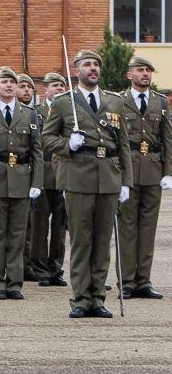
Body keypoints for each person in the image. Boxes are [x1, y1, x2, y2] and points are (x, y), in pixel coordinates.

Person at [41, 49, 133, 318]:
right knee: (82, 240)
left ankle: (98, 298)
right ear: (77, 70)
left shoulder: (114, 101)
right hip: (78, 175)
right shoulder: (63, 102)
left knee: (103, 242)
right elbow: (47, 140)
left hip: (108, 176)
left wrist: (126, 180)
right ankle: (80, 298)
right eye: (87, 65)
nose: (92, 69)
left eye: (95, 65)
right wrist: (68, 144)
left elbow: (123, 144)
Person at [0, 67, 43, 301]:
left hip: (21, 180)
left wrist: (37, 181)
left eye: (12, 82)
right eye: (4, 82)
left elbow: (37, 150)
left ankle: (14, 282)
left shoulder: (29, 114)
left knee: (17, 234)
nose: (8, 85)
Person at [119, 56, 172, 300]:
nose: (145, 74)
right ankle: (127, 281)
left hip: (152, 169)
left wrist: (168, 172)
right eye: (140, 70)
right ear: (130, 74)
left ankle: (144, 281)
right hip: (128, 170)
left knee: (148, 229)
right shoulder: (120, 101)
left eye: (148, 70)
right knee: (128, 228)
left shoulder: (160, 102)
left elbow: (168, 139)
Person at [30, 72, 69, 287]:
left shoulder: (69, 113)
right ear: (45, 90)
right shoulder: (36, 113)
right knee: (40, 225)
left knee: (60, 226)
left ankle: (56, 267)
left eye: (61, 86)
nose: (58, 89)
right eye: (54, 86)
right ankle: (40, 268)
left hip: (62, 172)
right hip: (43, 172)